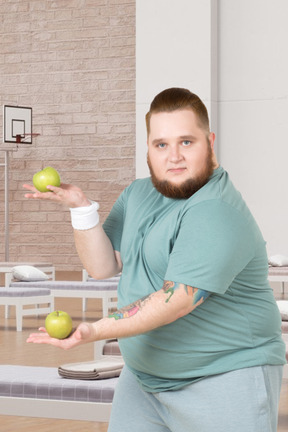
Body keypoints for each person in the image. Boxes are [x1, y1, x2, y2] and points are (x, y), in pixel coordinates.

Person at [25, 88, 286, 432]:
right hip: (145, 380)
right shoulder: (139, 193)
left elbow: (175, 300)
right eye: (161, 144)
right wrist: (82, 209)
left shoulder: (216, 210)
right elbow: (102, 266)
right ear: (148, 149)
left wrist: (93, 330)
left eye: (186, 142)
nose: (174, 156)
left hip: (223, 375)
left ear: (209, 141)